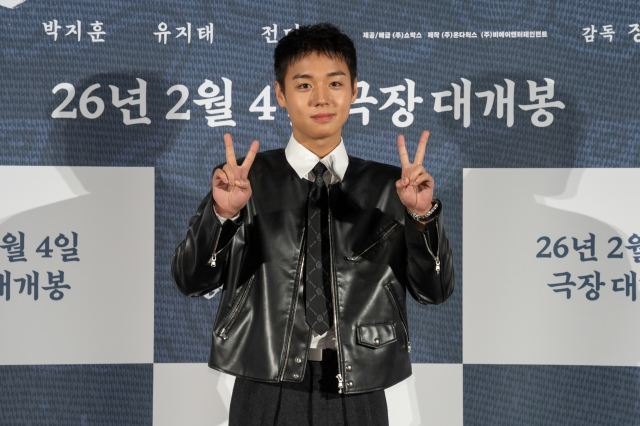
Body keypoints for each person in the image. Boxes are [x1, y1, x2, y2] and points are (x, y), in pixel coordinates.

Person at [172, 22, 454, 426]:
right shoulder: (245, 182)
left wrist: (422, 217)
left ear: (354, 91)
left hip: (358, 389)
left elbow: (435, 291)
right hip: (264, 386)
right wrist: (224, 215)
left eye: (335, 83)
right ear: (280, 94)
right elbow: (191, 280)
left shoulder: (394, 188)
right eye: (304, 85)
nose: (322, 98)